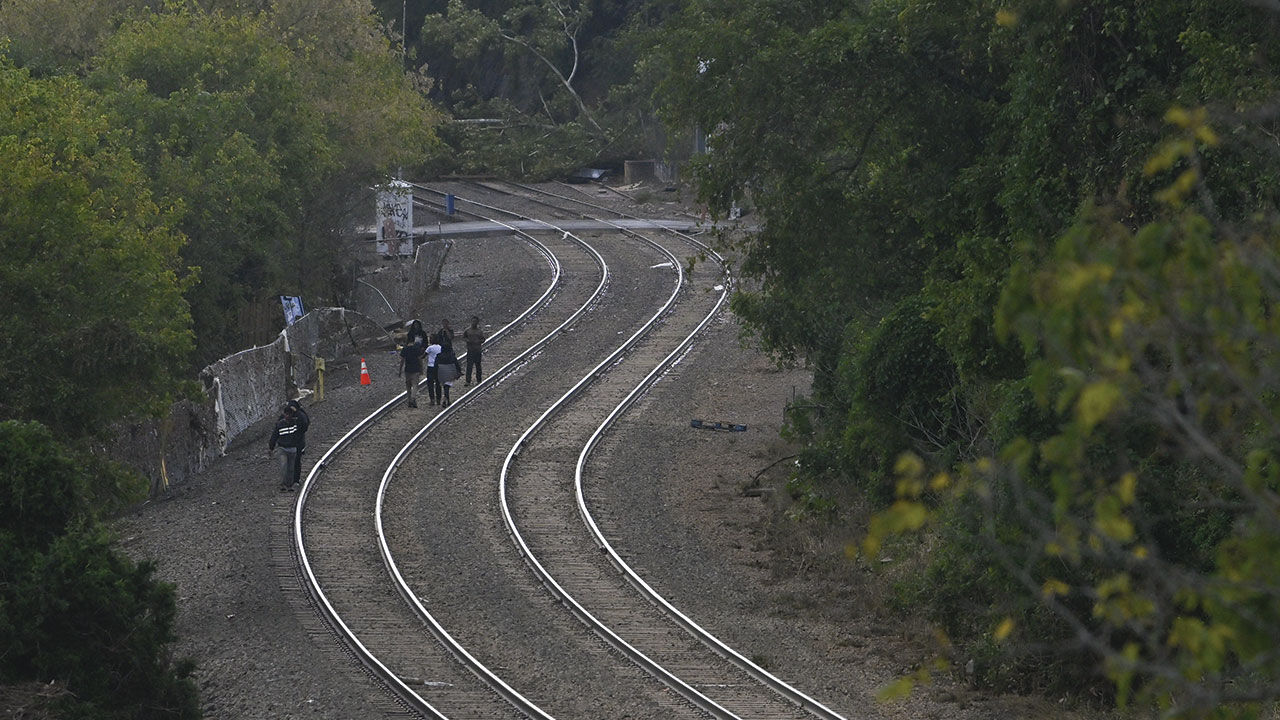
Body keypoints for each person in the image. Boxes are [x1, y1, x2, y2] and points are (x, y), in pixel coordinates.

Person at [268, 403, 306, 491]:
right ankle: (283, 484)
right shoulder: (280, 424)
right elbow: (274, 436)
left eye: (290, 414)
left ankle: (290, 485)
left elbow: (305, 422)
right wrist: (271, 447)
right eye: (286, 414)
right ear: (284, 414)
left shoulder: (296, 423)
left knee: (291, 468)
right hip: (282, 448)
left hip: (293, 449)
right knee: (283, 465)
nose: (287, 416)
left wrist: (297, 411)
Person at [287, 398, 310, 487]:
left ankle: (295, 479)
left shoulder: (301, 415)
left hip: (298, 443)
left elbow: (305, 425)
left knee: (296, 461)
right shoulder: (286, 415)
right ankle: (289, 480)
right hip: (289, 443)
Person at [398, 339, 426, 408]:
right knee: (415, 385)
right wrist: (421, 369)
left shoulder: (405, 349)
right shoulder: (417, 349)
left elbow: (402, 361)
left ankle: (409, 400)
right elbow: (420, 359)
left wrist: (400, 370)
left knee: (408, 386)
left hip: (407, 369)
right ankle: (413, 398)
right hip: (416, 369)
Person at [435, 334, 460, 407]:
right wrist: (458, 371)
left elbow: (436, 364)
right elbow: (456, 363)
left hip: (441, 371)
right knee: (447, 386)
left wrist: (435, 372)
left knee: (444, 386)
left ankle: (446, 399)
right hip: (450, 370)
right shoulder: (452, 355)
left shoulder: (439, 355)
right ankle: (446, 399)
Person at [462, 315, 486, 385]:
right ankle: (468, 381)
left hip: (477, 350)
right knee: (469, 366)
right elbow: (463, 337)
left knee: (478, 366)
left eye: (475, 321)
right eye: (473, 321)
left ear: (477, 322)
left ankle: (479, 380)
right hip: (470, 350)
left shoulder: (479, 331)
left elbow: (483, 339)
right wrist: (468, 340)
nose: (474, 323)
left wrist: (479, 341)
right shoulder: (467, 330)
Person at [424, 337, 443, 405]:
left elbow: (424, 355)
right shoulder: (440, 347)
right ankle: (438, 399)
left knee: (430, 384)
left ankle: (432, 399)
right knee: (438, 384)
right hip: (438, 367)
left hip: (431, 367)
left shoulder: (430, 348)